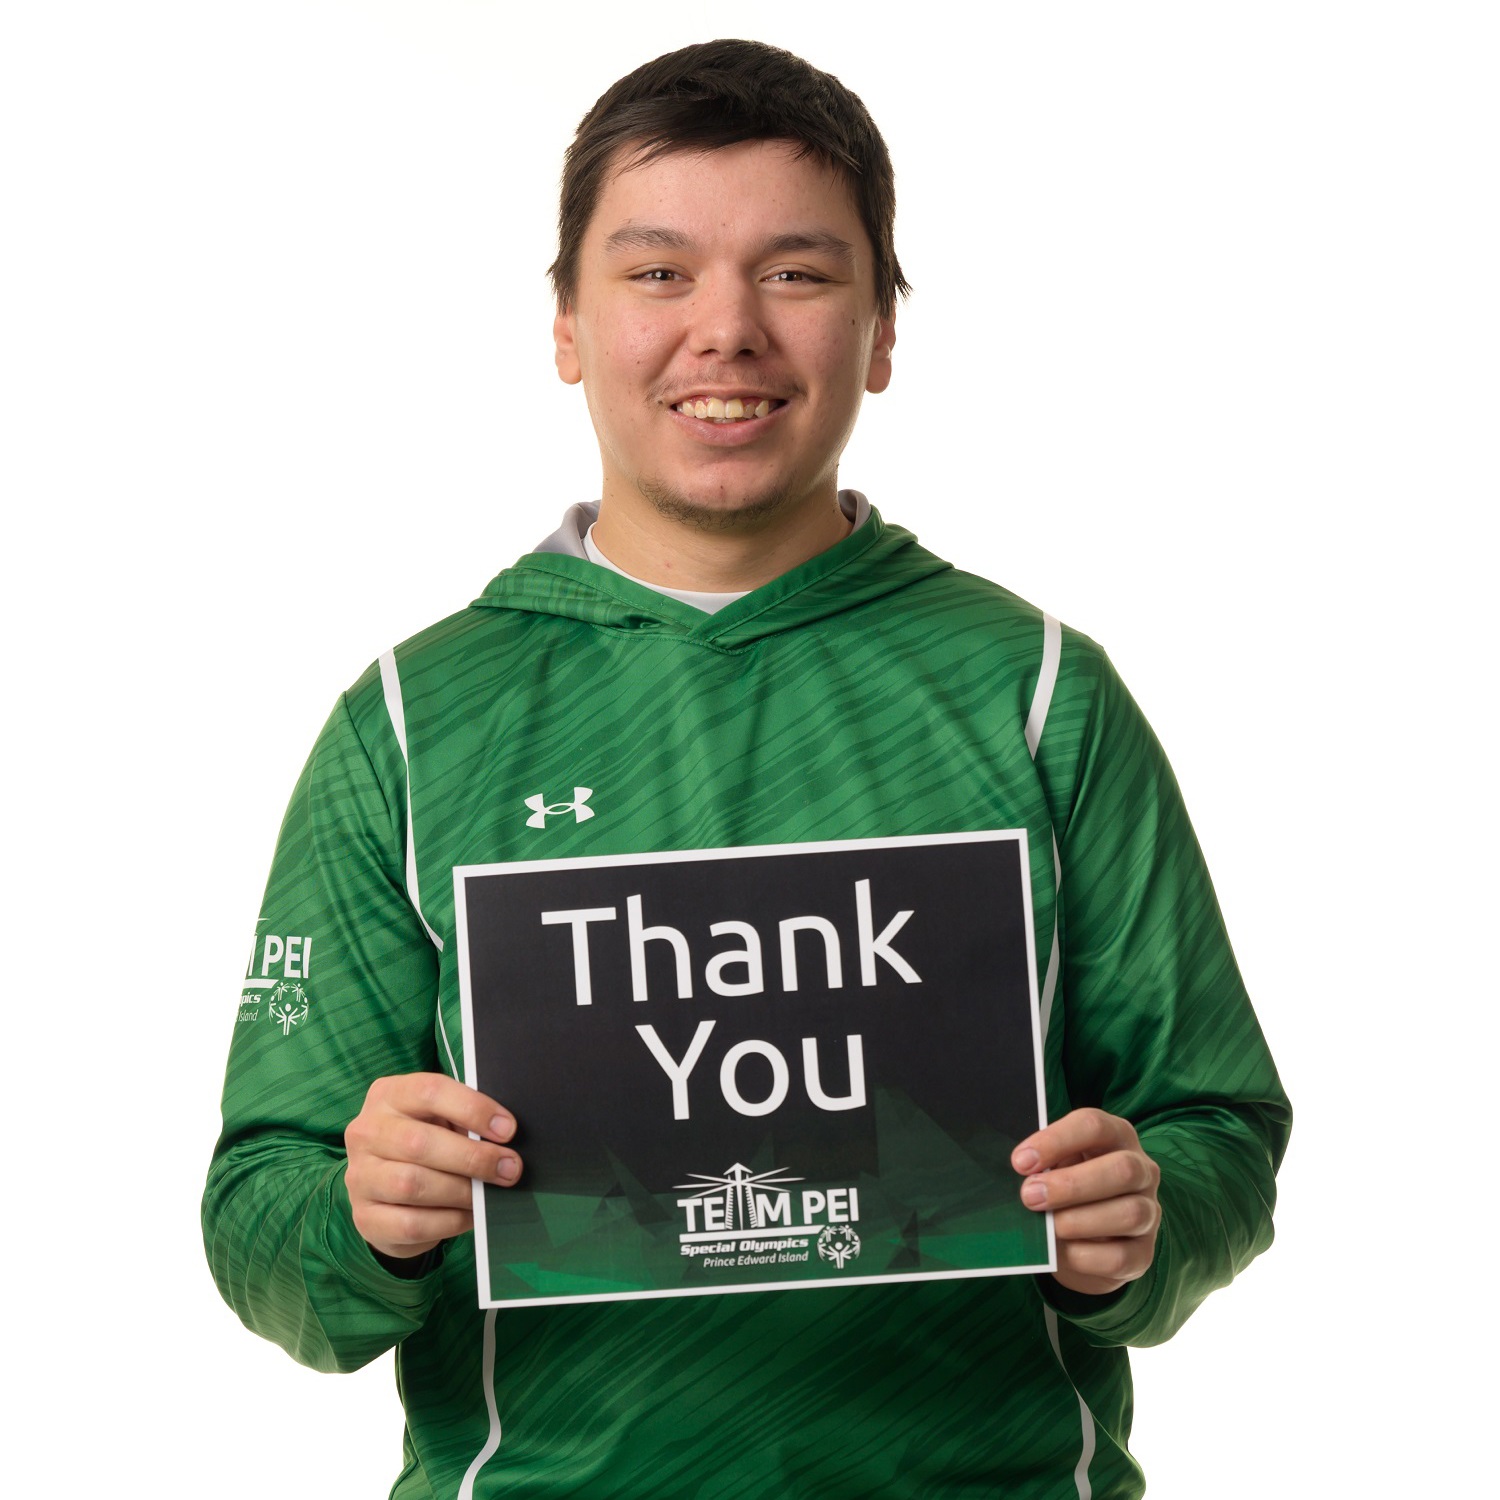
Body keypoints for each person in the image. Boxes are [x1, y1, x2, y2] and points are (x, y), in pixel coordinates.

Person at [204, 38, 1290, 1499]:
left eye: (798, 272)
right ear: (568, 325)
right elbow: (261, 1222)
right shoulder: (410, 721)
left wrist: (1145, 1224)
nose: (727, 330)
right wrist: (365, 1213)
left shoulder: (1037, 694)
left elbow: (1215, 1123)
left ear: (884, 329)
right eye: (658, 274)